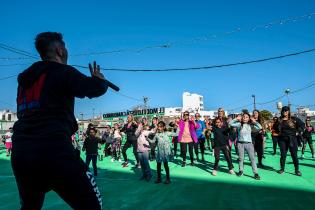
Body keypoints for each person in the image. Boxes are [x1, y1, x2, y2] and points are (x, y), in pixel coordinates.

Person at [11, 32, 105, 209]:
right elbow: (92, 89)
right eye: (65, 49)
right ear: (60, 50)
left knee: (29, 207)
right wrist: (100, 81)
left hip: (22, 153)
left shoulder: (24, 81)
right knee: (92, 206)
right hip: (55, 151)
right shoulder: (62, 71)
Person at [229, 113, 262, 180]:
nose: (244, 118)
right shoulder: (239, 125)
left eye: (246, 117)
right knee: (241, 158)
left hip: (249, 144)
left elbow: (260, 127)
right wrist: (236, 119)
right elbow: (230, 123)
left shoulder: (251, 125)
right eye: (243, 117)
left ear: (249, 118)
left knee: (252, 158)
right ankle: (241, 171)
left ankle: (255, 173)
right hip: (240, 144)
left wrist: (254, 121)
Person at [277, 106, 304, 176]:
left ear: (289, 111)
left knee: (294, 155)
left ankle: (297, 170)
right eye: (283, 110)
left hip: (292, 139)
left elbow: (302, 125)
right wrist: (277, 133)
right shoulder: (279, 119)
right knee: (283, 155)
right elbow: (275, 127)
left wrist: (298, 131)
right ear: (282, 111)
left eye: (286, 110)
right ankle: (282, 169)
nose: (285, 112)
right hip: (282, 140)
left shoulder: (294, 119)